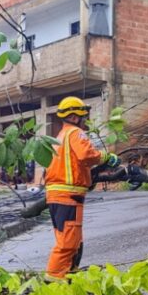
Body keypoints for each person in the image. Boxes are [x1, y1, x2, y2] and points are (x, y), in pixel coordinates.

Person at [45, 97, 119, 278]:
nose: (85, 119)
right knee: (68, 243)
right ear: (74, 117)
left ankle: (69, 275)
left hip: (57, 195)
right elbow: (87, 154)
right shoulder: (76, 133)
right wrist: (106, 157)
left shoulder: (60, 137)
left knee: (71, 240)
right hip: (68, 195)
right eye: (83, 115)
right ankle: (54, 283)